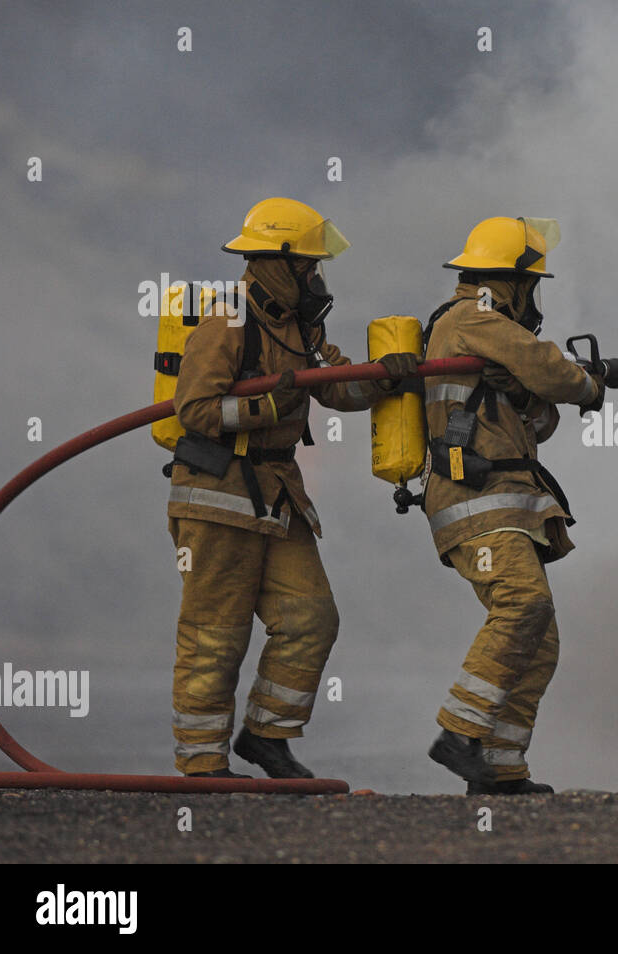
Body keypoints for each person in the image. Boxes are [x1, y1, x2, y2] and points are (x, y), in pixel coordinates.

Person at [168, 197, 418, 778]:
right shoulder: (226, 320)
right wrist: (264, 406)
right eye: (308, 266)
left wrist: (387, 379)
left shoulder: (302, 327)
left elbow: (335, 388)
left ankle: (267, 737)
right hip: (218, 498)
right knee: (215, 633)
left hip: (277, 496)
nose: (315, 277)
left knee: (311, 618)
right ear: (277, 262)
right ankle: (203, 766)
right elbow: (195, 409)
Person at [421, 216, 605, 795]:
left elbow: (533, 420)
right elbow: (546, 364)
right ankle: (458, 733)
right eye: (533, 285)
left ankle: (499, 769)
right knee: (523, 604)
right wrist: (588, 385)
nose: (535, 300)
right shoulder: (473, 317)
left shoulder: (478, 331)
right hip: (477, 505)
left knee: (539, 635)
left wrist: (533, 394)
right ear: (512, 282)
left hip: (503, 503)